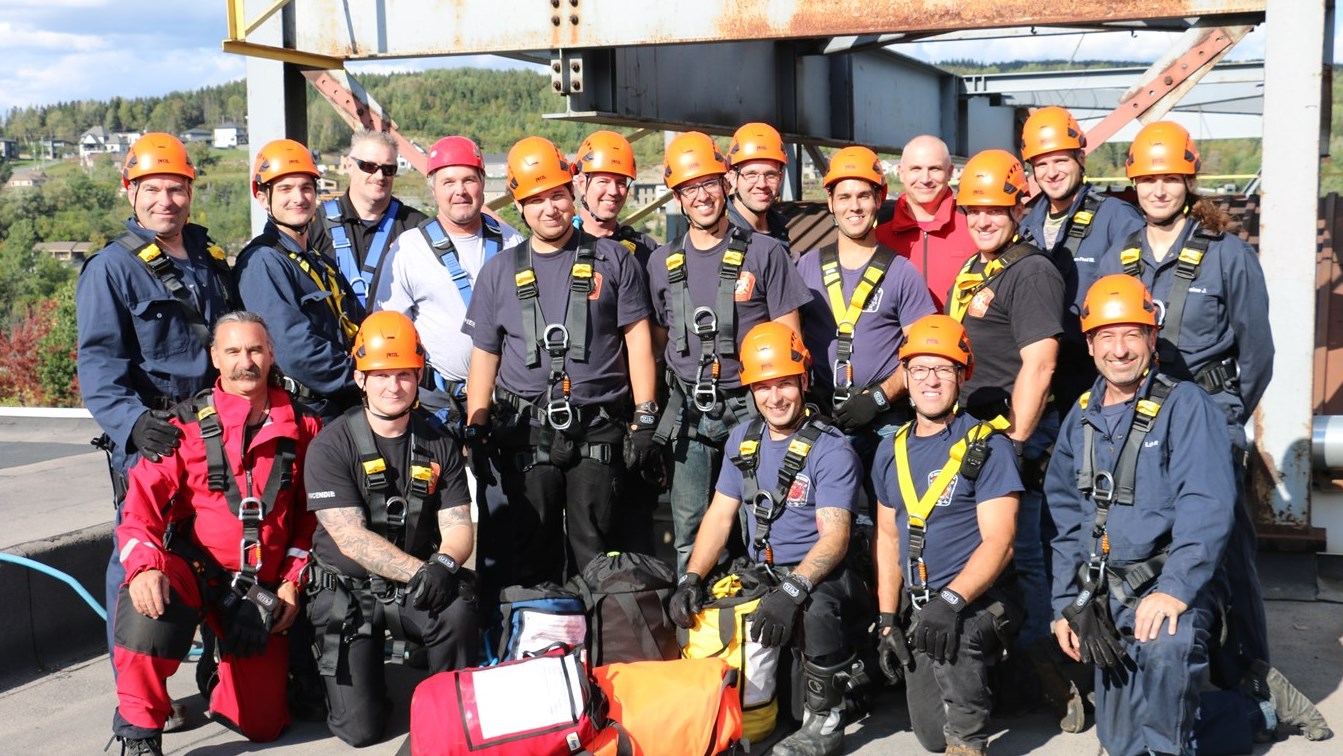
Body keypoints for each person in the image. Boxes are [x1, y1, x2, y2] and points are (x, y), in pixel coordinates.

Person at [1046, 275, 1330, 755]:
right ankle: (1255, 709)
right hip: (1106, 592)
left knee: (1166, 653)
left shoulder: (1187, 406)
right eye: (1107, 337)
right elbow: (1064, 519)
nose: (1120, 350)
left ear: (1152, 339)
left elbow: (1208, 505)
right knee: (1121, 743)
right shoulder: (1081, 416)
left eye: (1132, 334)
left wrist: (1175, 591)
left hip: (1172, 585)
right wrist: (1062, 606)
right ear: (1090, 345)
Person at [1096, 121, 1275, 685]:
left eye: (1170, 178)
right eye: (1148, 179)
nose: (1158, 190)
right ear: (1133, 182)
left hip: (1211, 416)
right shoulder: (1118, 257)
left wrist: (1226, 419)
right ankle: (1149, 673)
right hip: (1142, 425)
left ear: (1189, 179)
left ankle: (1249, 674)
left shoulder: (1227, 255)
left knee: (1225, 549)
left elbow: (1259, 352)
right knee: (1143, 544)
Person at [109, 312, 321, 754]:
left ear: (271, 354)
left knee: (263, 724)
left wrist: (290, 582)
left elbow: (311, 518)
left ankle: (216, 663)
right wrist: (145, 568)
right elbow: (138, 513)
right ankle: (139, 733)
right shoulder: (181, 427)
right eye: (234, 351)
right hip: (194, 572)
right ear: (215, 358)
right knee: (146, 609)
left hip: (260, 589)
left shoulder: (304, 428)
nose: (246, 361)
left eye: (256, 350)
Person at [463, 136, 660, 587]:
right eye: (535, 200)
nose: (548, 208)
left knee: (596, 551)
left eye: (556, 195)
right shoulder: (498, 272)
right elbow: (485, 354)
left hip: (598, 428)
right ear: (519, 206)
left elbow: (638, 342)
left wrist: (645, 416)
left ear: (573, 192)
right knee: (533, 553)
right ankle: (543, 650)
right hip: (526, 434)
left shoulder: (614, 260)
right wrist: (476, 426)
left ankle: (599, 649)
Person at [668, 322, 867, 756]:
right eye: (763, 387)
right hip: (764, 572)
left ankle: (825, 722)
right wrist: (691, 577)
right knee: (711, 603)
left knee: (817, 611)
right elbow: (720, 517)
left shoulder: (832, 449)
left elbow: (834, 540)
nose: (774, 398)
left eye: (784, 385)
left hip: (821, 577)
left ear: (804, 381)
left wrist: (792, 590)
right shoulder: (742, 439)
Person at [77, 132, 237, 669]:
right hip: (156, 436)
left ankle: (224, 673)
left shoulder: (209, 259)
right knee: (139, 557)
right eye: (152, 189)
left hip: (215, 431)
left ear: (190, 192)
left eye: (176, 189)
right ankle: (138, 702)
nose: (165, 200)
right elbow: (99, 368)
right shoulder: (112, 269)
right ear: (131, 191)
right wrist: (134, 424)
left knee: (218, 551)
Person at [303, 311, 480, 747]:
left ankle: (450, 707)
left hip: (412, 586)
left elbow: (458, 525)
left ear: (419, 376)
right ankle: (361, 686)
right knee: (360, 732)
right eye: (380, 374)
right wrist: (422, 572)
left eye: (403, 374)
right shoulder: (331, 445)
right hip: (348, 590)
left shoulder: (438, 442)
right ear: (361, 378)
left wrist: (442, 564)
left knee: (459, 606)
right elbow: (351, 538)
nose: (393, 386)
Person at [648, 131, 812, 571]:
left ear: (726, 185)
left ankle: (761, 619)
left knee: (760, 522)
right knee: (690, 529)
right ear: (678, 198)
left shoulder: (765, 254)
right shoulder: (662, 262)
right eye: (689, 188)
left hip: (751, 409)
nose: (701, 196)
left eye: (708, 184)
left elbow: (788, 338)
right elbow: (659, 344)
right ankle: (696, 624)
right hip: (689, 413)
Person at [871, 314, 1024, 756]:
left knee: (957, 638)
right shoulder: (890, 448)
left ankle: (969, 742)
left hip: (980, 599)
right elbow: (886, 536)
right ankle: (1008, 684)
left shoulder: (986, 444)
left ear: (962, 376)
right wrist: (886, 620)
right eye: (919, 368)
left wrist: (951, 602)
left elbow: (1001, 542)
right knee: (929, 735)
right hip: (922, 603)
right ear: (906, 376)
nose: (931, 380)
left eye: (943, 369)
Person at [946, 149, 1065, 658]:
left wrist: (1016, 443)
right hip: (979, 431)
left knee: (1025, 553)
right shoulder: (978, 267)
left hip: (1015, 433)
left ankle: (1043, 665)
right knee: (987, 549)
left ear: (1020, 211)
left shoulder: (1031, 272)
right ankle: (999, 659)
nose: (983, 220)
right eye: (974, 211)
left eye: (995, 209)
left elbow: (1040, 365)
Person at [796, 145, 936, 530]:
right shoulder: (807, 266)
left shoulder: (902, 273)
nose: (854, 206)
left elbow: (924, 358)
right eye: (844, 196)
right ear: (830, 202)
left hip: (883, 420)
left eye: (863, 195)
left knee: (888, 527)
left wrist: (877, 398)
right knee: (822, 525)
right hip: (823, 417)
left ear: (879, 199)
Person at [372, 135, 524, 423]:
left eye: (469, 180)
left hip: (505, 400)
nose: (460, 191)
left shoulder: (512, 243)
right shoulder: (409, 249)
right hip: (438, 405)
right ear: (434, 189)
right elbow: (390, 329)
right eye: (448, 182)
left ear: (482, 182)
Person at [1018, 106, 1145, 410]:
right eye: (1042, 163)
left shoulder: (1116, 219)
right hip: (1042, 376)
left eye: (1061, 160)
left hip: (1098, 379)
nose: (1052, 172)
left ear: (1081, 160)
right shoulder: (1026, 227)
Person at [236, 138, 365, 423]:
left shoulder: (318, 262)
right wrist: (362, 375)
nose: (299, 197)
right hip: (307, 415)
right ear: (261, 197)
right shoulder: (263, 261)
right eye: (285, 188)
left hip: (339, 406)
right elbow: (294, 351)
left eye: (306, 187)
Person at [310, 129, 428, 309]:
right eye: (369, 166)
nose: (380, 176)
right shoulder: (316, 224)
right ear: (349, 165)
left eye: (388, 169)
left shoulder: (416, 227)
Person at [875, 135, 977, 311]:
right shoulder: (877, 235)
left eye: (934, 168)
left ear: (950, 172)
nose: (925, 178)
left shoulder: (976, 228)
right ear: (901, 172)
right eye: (916, 168)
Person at [572, 129, 661, 267]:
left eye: (620, 183)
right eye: (603, 181)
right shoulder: (561, 248)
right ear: (582, 183)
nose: (613, 191)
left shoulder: (645, 249)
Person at [726, 122, 794, 258]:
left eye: (771, 175)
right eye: (751, 175)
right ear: (733, 177)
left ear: (780, 178)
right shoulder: (720, 236)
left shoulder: (779, 229)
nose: (762, 184)